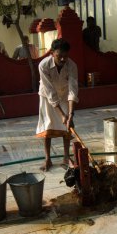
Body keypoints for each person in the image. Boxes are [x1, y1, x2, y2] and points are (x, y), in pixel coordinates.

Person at [35, 38, 78, 171]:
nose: (63, 59)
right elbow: (50, 92)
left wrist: (69, 114)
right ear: (52, 53)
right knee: (48, 126)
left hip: (64, 94)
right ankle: (48, 159)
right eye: (60, 56)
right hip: (47, 96)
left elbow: (73, 89)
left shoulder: (72, 65)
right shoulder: (43, 65)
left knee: (67, 126)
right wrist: (61, 114)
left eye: (66, 56)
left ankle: (66, 157)